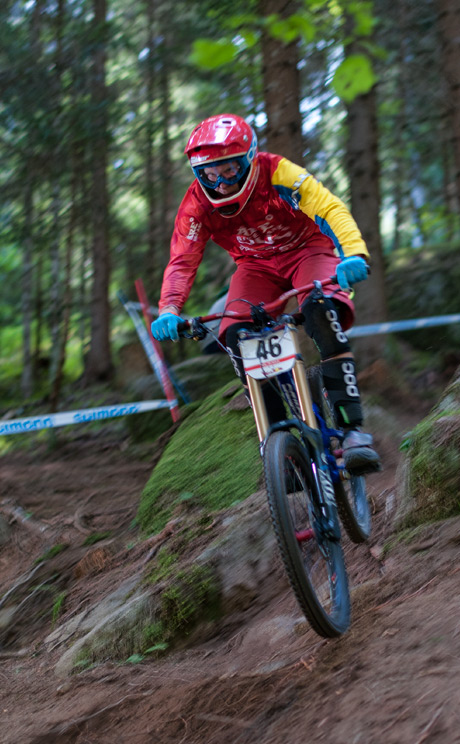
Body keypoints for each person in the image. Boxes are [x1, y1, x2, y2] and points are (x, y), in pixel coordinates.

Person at [151, 112, 381, 475]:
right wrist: (169, 308)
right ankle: (280, 444)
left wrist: (352, 253)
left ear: (249, 159)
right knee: (236, 333)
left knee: (321, 310)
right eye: (209, 174)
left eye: (229, 170)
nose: (220, 183)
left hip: (309, 251)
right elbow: (182, 259)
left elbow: (328, 206)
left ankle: (353, 432)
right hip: (256, 267)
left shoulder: (277, 172)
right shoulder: (196, 203)